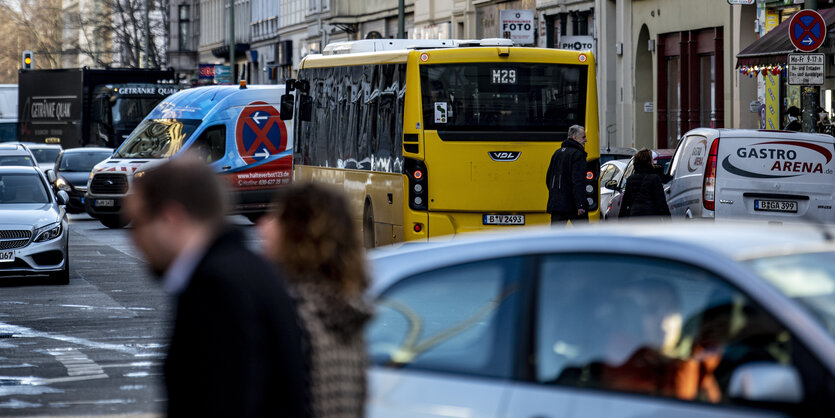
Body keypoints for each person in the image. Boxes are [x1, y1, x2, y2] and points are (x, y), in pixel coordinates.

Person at [123, 156, 310, 417]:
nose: (135, 240)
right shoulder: (249, 268)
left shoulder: (215, 287)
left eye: (139, 223)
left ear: (171, 218)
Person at [258, 182, 372, 418]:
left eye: (275, 217)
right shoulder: (344, 313)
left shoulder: (292, 313)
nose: (262, 227)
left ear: (299, 233)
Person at [546, 124, 589, 224]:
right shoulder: (577, 155)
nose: (585, 140)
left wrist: (557, 194)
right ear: (574, 137)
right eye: (583, 137)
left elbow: (548, 179)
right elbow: (578, 181)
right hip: (573, 205)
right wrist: (581, 205)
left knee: (556, 237)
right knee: (584, 236)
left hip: (556, 205)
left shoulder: (557, 153)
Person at [618, 149, 671, 219]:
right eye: (652, 159)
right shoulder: (655, 179)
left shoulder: (630, 179)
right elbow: (661, 203)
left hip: (634, 216)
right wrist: (668, 220)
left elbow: (625, 203)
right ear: (649, 161)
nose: (653, 162)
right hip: (651, 217)